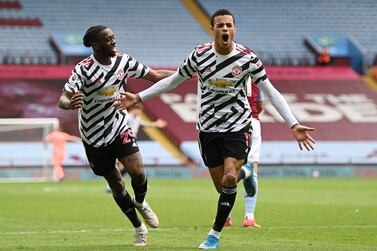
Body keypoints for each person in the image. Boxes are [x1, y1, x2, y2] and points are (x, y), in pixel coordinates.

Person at [114, 9, 315, 249]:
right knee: (222, 187)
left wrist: (293, 123)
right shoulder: (199, 56)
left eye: (229, 25)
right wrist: (139, 97)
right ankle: (247, 172)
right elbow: (173, 80)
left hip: (238, 126)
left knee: (230, 177)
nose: (225, 29)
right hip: (208, 129)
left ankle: (214, 235)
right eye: (220, 25)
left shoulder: (248, 59)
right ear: (212, 30)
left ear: (234, 29)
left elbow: (271, 91)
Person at [58, 25, 175, 247]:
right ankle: (139, 228)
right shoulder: (83, 70)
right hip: (93, 136)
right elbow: (63, 98)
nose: (113, 41)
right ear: (95, 44)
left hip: (118, 124)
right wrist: (69, 103)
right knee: (117, 185)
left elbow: (156, 76)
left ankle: (141, 202)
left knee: (138, 172)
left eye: (113, 38)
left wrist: (186, 74)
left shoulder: (124, 61)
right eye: (108, 39)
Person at [224, 78, 264, 228]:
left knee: (226, 168)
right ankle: (249, 217)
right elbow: (260, 105)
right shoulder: (256, 75)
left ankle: (226, 216)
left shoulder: (227, 72)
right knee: (252, 166)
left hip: (230, 122)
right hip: (252, 121)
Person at [106, 102, 167, 192]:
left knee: (127, 166)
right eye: (138, 110)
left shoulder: (137, 118)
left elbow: (143, 124)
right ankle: (112, 185)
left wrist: (156, 124)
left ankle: (117, 184)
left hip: (131, 142)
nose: (139, 112)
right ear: (134, 109)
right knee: (124, 165)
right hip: (123, 142)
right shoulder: (127, 117)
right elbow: (117, 126)